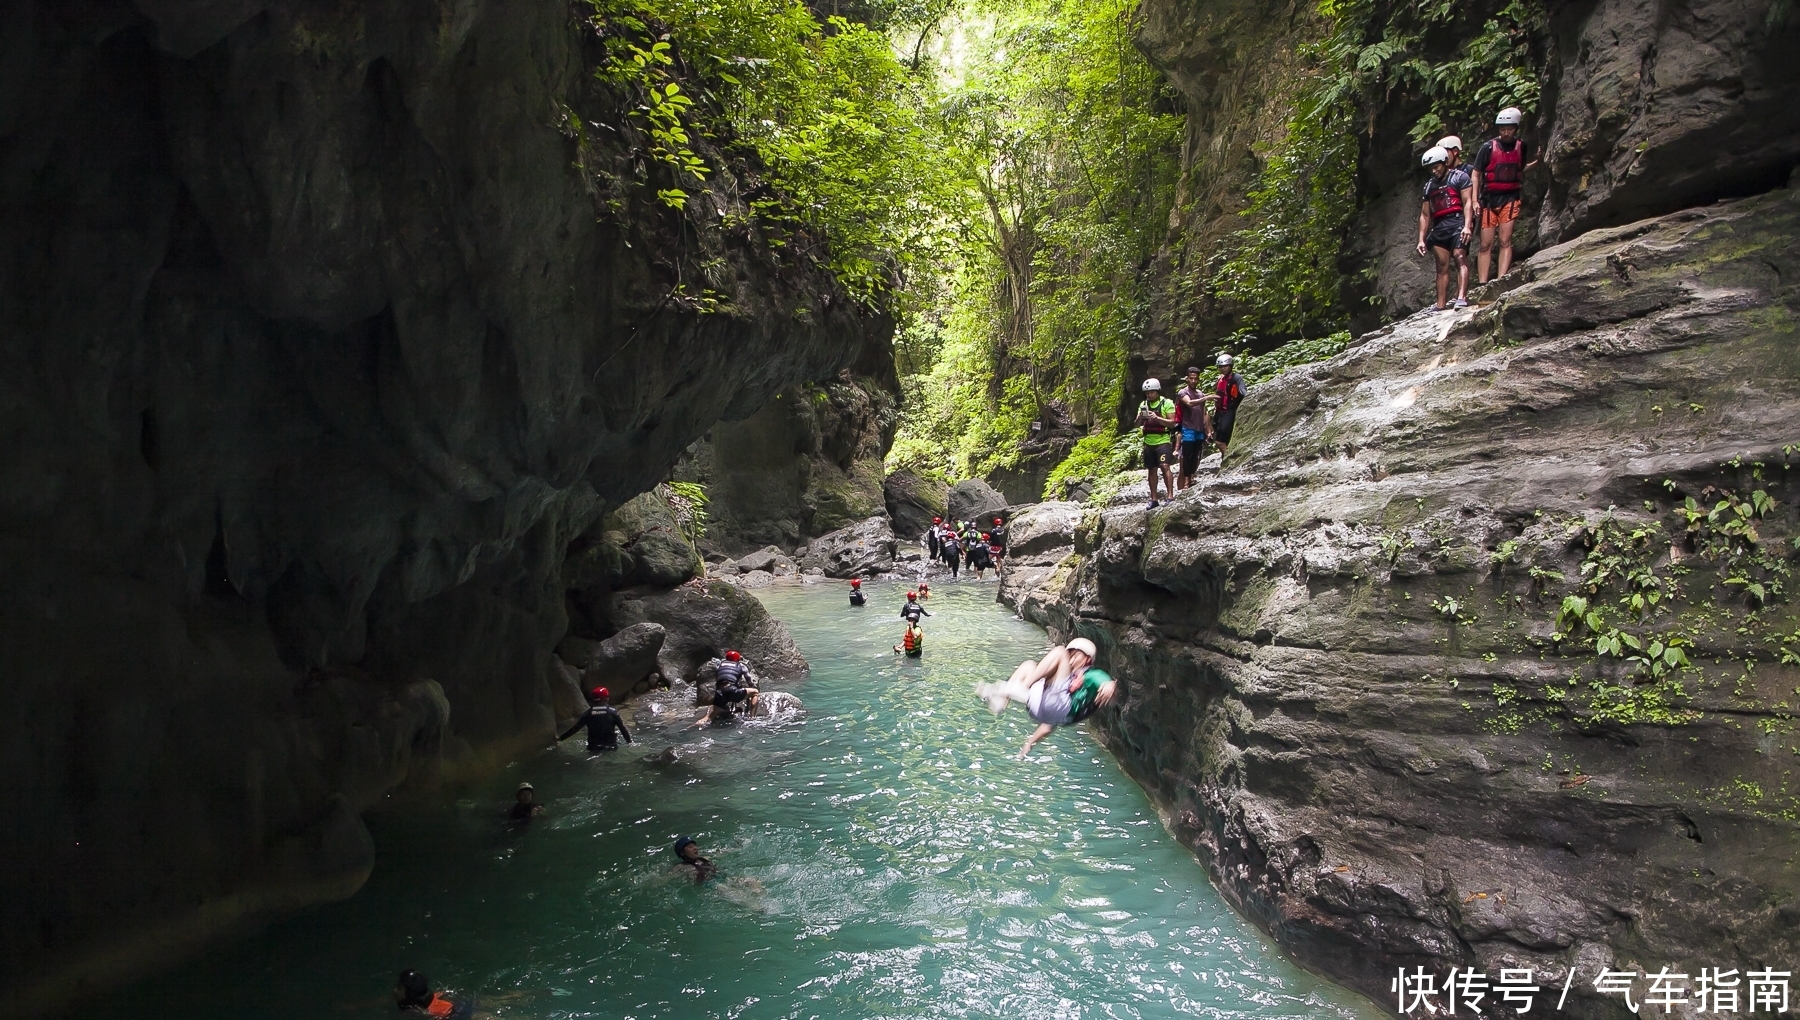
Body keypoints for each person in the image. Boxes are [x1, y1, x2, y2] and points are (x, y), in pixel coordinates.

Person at [976, 637, 1119, 758]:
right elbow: (1049, 723)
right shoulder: (1065, 677)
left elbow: (1103, 680)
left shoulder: (1089, 674)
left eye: (1076, 655)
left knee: (1059, 651)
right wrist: (1029, 743)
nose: (1071, 659)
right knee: (1028, 666)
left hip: (1061, 707)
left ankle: (1016, 688)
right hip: (1042, 709)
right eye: (1070, 655)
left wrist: (1111, 685)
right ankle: (1003, 699)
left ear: (1087, 660)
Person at [1473, 107, 1537, 284]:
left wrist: (1537, 163)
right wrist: (1474, 200)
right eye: (1502, 129)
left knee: (1504, 240)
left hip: (1510, 197)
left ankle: (1501, 280)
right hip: (1488, 199)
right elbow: (1476, 174)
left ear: (1516, 128)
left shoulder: (1521, 147)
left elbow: (1519, 169)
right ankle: (1482, 282)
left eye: (1509, 128)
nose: (1506, 132)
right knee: (1485, 244)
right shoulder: (1487, 148)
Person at [1415, 145, 1474, 312]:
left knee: (1460, 257)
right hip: (1440, 226)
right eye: (1430, 169)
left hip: (1457, 223)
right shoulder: (1429, 187)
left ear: (1444, 163)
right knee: (1441, 265)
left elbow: (1467, 203)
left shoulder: (1460, 178)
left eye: (1436, 167)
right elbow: (1425, 215)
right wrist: (1421, 239)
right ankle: (1440, 304)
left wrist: (1467, 226)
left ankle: (1461, 297)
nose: (1434, 171)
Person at [1436, 135, 1474, 307]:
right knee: (1445, 262)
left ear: (1455, 151)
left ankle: (1462, 296)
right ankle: (1444, 300)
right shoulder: (1439, 177)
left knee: (1460, 255)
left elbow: (1471, 196)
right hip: (1447, 221)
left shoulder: (1467, 171)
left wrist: (1468, 222)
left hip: (1463, 217)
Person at [1136, 378, 1179, 508]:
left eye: (1152, 392)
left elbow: (1173, 423)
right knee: (1151, 470)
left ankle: (1170, 496)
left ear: (1157, 391)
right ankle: (1154, 499)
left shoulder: (1167, 403)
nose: (1149, 395)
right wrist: (1140, 418)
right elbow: (1136, 424)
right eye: (1147, 393)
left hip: (1163, 440)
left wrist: (1157, 418)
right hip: (1148, 442)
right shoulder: (1143, 405)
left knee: (1165, 466)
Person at [1175, 366, 1214, 490]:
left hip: (1199, 429)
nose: (1193, 381)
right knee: (1187, 455)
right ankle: (1186, 481)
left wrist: (1208, 430)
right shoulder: (1183, 392)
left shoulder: (1200, 393)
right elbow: (1190, 403)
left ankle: (1191, 477)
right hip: (1188, 428)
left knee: (1196, 455)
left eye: (1195, 379)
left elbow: (1204, 413)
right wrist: (1206, 398)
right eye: (1191, 378)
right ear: (1187, 379)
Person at [558, 686, 632, 752]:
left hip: (593, 747)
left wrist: (561, 738)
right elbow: (622, 728)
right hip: (610, 747)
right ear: (606, 698)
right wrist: (629, 742)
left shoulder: (587, 714)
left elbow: (575, 729)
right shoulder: (613, 712)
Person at [1211, 354, 1247, 460]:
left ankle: (1228, 460)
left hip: (1230, 411)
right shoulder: (1221, 379)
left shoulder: (1236, 378)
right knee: (1220, 439)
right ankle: (1224, 459)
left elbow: (1242, 390)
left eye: (1225, 366)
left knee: (1220, 441)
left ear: (1230, 366)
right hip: (1220, 412)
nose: (1223, 369)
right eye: (1221, 367)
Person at [395, 971, 472, 1017]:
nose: (395, 990)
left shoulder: (417, 1011)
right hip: (463, 1005)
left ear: (410, 994)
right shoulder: (438, 994)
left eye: (399, 988)